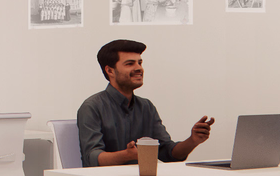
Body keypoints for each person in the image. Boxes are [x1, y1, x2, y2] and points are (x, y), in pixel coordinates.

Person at [76, 39, 212, 168]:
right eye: (130, 64)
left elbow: (167, 153)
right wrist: (127, 155)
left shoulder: (146, 107)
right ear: (110, 70)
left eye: (140, 63)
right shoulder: (92, 107)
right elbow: (92, 158)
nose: (139, 68)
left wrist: (193, 140)